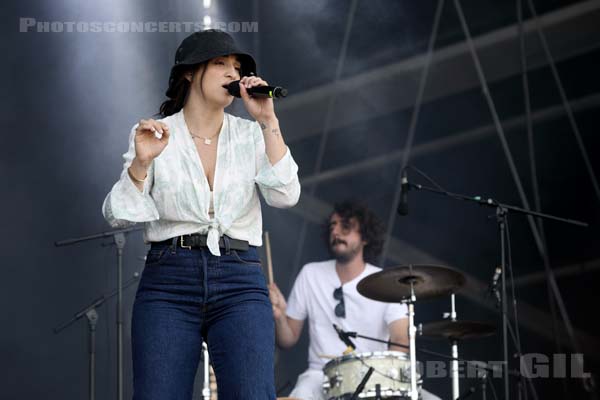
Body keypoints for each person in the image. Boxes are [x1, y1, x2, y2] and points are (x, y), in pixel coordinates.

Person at [102, 29, 300, 400]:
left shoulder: (251, 134)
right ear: (190, 72)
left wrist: (269, 122)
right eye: (220, 63)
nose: (232, 73)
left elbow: (286, 195)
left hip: (240, 278)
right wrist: (141, 163)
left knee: (254, 394)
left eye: (237, 67)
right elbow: (117, 215)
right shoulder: (156, 134)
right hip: (169, 279)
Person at [269, 201, 410, 399]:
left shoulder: (386, 282)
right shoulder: (311, 274)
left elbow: (401, 339)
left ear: (365, 237)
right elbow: (287, 339)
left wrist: (388, 379)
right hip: (320, 375)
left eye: (345, 226)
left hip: (372, 375)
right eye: (332, 226)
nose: (336, 232)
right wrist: (279, 317)